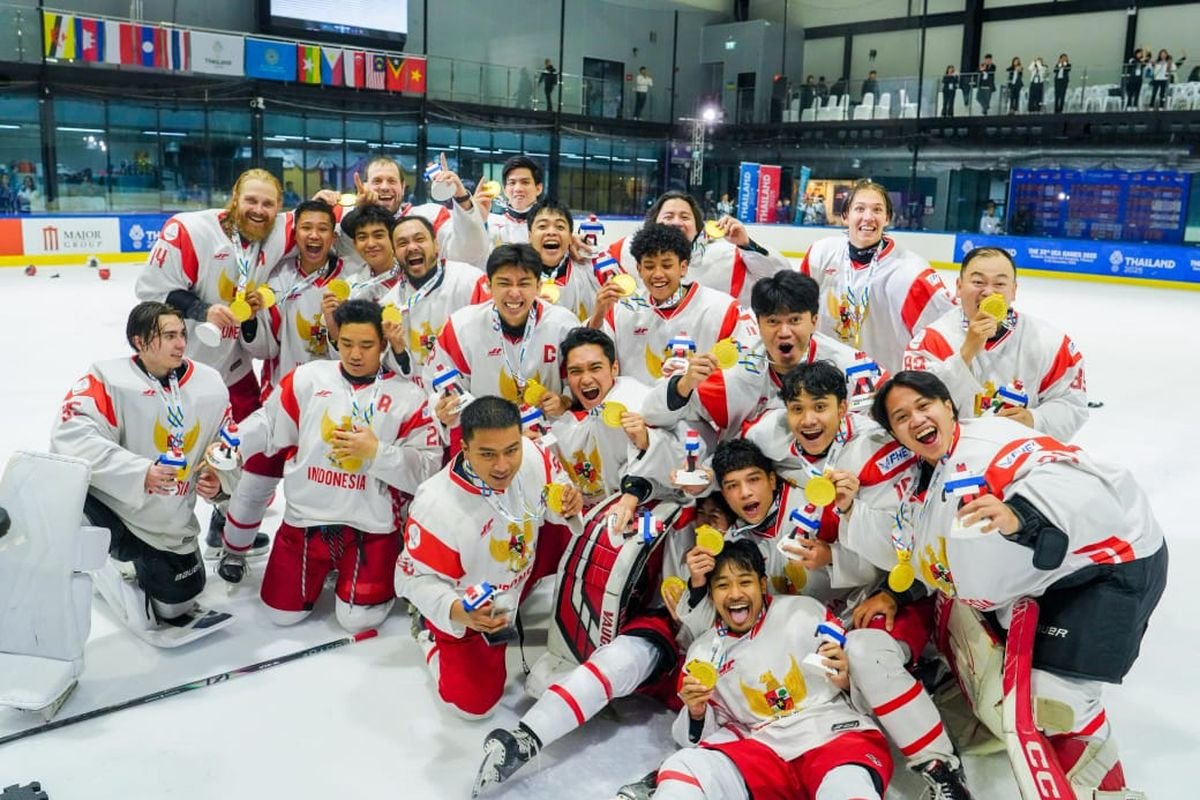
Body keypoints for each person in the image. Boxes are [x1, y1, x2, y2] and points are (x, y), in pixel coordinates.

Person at [869, 370, 1166, 798]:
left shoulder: (986, 445)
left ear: (949, 406)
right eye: (901, 417)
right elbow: (931, 552)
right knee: (1032, 702)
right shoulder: (936, 470)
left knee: (1055, 704)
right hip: (1050, 579)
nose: (915, 419)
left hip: (1108, 566)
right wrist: (897, 590)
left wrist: (1023, 517)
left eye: (923, 405)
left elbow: (1064, 478)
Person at [226, 300, 440, 630]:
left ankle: (374, 564)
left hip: (369, 527)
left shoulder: (408, 396)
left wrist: (377, 453)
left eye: (367, 345)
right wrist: (233, 443)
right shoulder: (307, 378)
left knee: (358, 620)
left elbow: (426, 471)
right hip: (305, 520)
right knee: (280, 615)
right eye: (346, 344)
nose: (355, 354)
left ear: (383, 344)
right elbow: (268, 424)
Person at [50, 302, 233, 647]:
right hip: (119, 508)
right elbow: (70, 435)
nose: (181, 344)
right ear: (139, 341)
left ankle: (136, 565)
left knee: (179, 600)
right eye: (168, 336)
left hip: (172, 520)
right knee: (73, 497)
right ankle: (106, 563)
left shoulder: (208, 384)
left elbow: (227, 439)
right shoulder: (107, 380)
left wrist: (219, 476)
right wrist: (138, 472)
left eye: (181, 334)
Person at [651, 540, 894, 800]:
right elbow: (702, 736)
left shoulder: (802, 612)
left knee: (846, 788)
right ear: (711, 594)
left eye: (745, 582)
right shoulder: (702, 654)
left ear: (762, 585)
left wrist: (846, 679)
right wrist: (697, 712)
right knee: (684, 767)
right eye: (722, 585)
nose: (734, 594)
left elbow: (855, 682)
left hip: (831, 733)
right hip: (763, 751)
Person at [396, 396, 583, 718]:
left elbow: (558, 490)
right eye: (487, 454)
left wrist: (569, 501)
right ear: (464, 449)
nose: (503, 465)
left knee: (586, 525)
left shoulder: (533, 453)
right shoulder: (435, 505)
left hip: (519, 570)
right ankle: (427, 632)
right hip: (474, 603)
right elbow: (409, 577)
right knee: (474, 708)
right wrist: (456, 611)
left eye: (511, 450)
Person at [135, 168, 289, 554]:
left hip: (232, 367)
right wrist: (203, 310)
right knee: (171, 448)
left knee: (249, 446)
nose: (258, 210)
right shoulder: (189, 230)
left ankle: (226, 519)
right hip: (179, 366)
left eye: (267, 203)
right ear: (234, 198)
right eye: (251, 200)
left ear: (279, 209)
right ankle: (155, 536)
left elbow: (325, 218)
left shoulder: (279, 231)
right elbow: (149, 291)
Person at [218, 200, 349, 560]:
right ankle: (234, 552)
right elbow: (264, 347)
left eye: (323, 228)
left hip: (336, 404)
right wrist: (249, 319)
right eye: (307, 227)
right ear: (295, 233)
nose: (314, 235)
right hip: (283, 398)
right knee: (257, 478)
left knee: (329, 485)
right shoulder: (278, 279)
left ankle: (329, 556)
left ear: (333, 236)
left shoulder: (349, 280)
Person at [641, 270, 877, 444]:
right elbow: (651, 413)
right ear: (758, 324)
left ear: (814, 321)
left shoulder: (853, 367)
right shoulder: (731, 369)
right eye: (773, 321)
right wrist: (684, 385)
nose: (784, 332)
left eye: (794, 320)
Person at [904, 246, 1088, 441]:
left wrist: (1035, 419)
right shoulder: (928, 342)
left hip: (1022, 460)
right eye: (977, 282)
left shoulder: (1052, 342)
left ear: (1014, 290)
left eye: (999, 284)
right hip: (951, 460)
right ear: (958, 286)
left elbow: (1072, 404)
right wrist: (966, 352)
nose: (988, 292)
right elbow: (916, 408)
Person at [799, 179, 954, 374]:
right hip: (826, 379)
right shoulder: (820, 253)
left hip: (882, 385)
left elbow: (946, 329)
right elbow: (798, 312)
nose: (868, 217)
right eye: (860, 209)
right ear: (846, 215)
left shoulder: (911, 272)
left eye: (877, 210)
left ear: (888, 218)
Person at [425, 243, 580, 434]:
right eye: (504, 283)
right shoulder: (460, 327)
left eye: (524, 283)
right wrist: (442, 407)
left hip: (549, 438)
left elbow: (580, 384)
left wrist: (565, 401)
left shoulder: (564, 325)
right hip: (487, 439)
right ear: (488, 285)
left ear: (539, 286)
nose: (514, 293)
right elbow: (437, 387)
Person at [591, 223, 755, 387]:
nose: (658, 274)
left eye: (667, 265)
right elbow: (592, 359)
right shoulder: (621, 309)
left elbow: (744, 368)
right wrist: (598, 315)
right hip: (633, 408)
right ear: (638, 269)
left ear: (683, 268)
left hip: (698, 410)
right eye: (649, 266)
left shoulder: (722, 309)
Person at [603, 190, 791, 308]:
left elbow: (782, 278)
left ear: (698, 227)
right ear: (654, 222)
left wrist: (747, 244)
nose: (676, 222)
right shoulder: (628, 250)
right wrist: (576, 242)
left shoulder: (725, 255)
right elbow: (590, 265)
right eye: (668, 216)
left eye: (685, 217)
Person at [318, 154, 491, 271]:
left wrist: (462, 199)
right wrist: (320, 205)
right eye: (377, 181)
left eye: (391, 181)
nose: (385, 187)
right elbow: (327, 251)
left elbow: (468, 252)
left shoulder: (429, 217)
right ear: (365, 185)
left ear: (402, 187)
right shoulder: (345, 218)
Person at [527, 199, 599, 320]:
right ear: (529, 236)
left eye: (560, 227)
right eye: (542, 226)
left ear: (571, 237)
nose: (551, 232)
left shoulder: (590, 270)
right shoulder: (516, 273)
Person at [487, 155, 545, 246]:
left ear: (538, 188)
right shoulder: (491, 225)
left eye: (525, 182)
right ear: (505, 190)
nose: (518, 188)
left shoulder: (551, 229)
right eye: (512, 183)